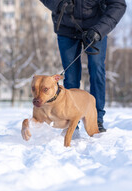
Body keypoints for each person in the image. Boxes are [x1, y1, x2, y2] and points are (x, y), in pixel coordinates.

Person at [39, 0, 127, 132]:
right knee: (71, 76)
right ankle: (70, 120)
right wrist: (59, 4)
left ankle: (96, 118)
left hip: (96, 27)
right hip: (66, 28)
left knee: (97, 69)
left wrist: (100, 30)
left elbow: (118, 4)